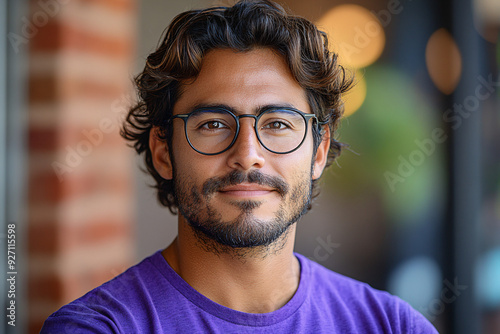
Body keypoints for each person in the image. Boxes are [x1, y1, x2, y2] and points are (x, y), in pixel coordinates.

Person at [41, 0, 438, 332]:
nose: (248, 153)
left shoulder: (394, 325)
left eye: (278, 124)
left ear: (318, 152)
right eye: (213, 124)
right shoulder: (99, 327)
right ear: (163, 152)